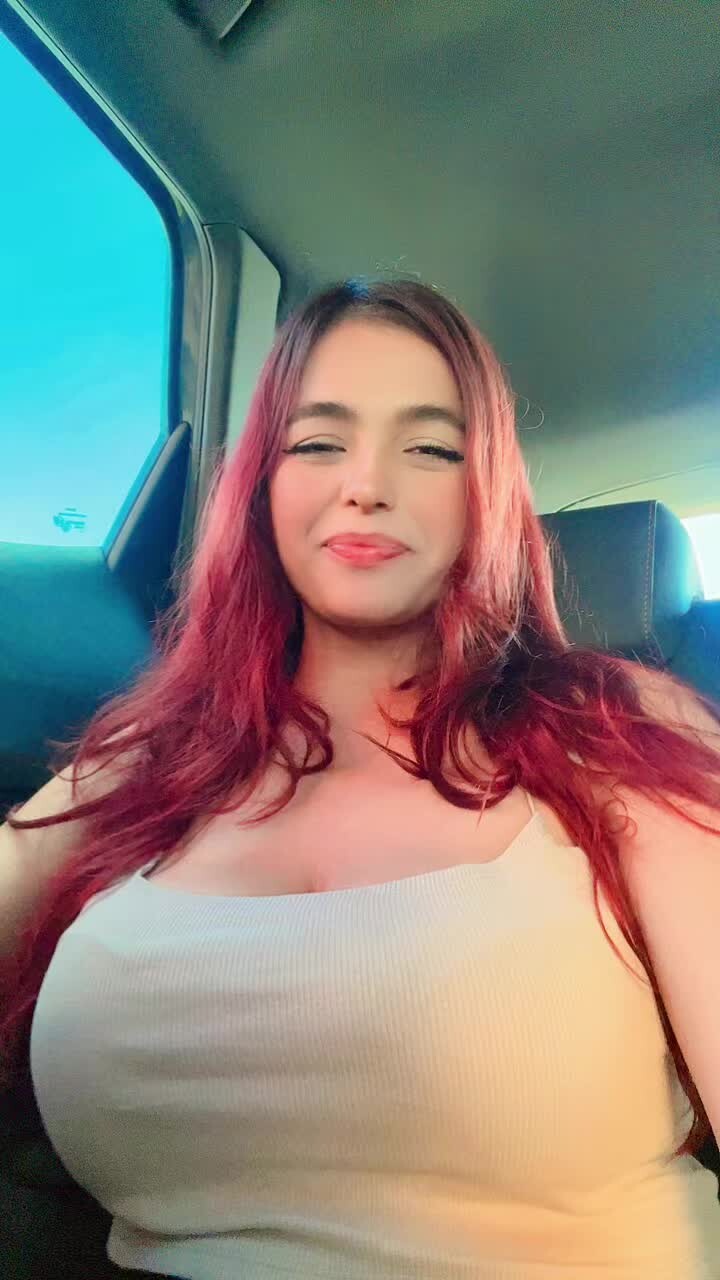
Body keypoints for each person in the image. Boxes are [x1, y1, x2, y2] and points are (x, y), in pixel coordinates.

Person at [2, 276, 720, 1278]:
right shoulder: (145, 753)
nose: (366, 484)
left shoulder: (614, 726)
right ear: (260, 485)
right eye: (317, 442)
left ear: (486, 494)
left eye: (430, 447)